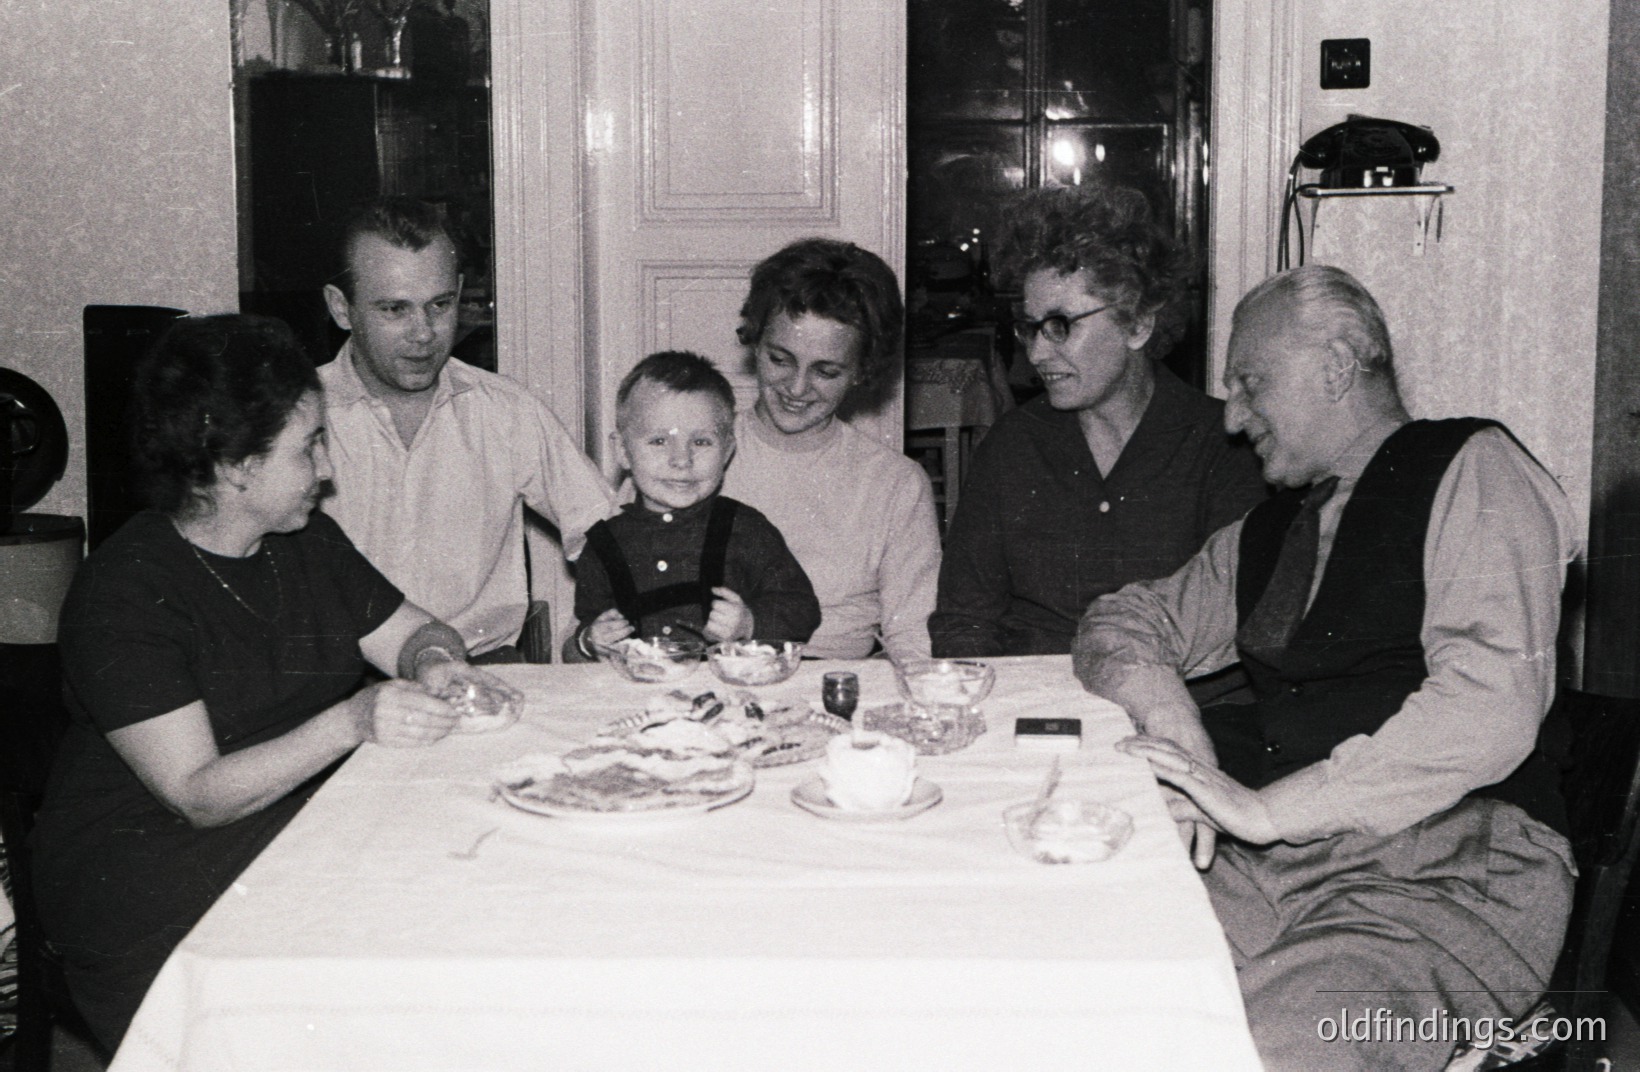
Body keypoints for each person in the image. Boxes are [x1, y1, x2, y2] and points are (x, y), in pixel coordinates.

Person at [1073, 265, 1579, 1071]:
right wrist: (1177, 727)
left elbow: (1491, 705)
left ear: (1338, 366)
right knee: (1071, 984)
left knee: (1267, 1053)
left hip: (1442, 871)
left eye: (1249, 382)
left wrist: (1271, 812)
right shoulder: (1269, 530)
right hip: (1276, 875)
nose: (1234, 418)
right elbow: (1119, 623)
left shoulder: (1472, 467)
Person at [30, 315, 520, 1051]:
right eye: (309, 447)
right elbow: (197, 793)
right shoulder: (127, 592)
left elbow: (419, 632)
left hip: (281, 836)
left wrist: (437, 665)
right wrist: (352, 722)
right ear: (234, 466)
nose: (326, 471)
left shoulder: (303, 540)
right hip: (149, 882)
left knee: (463, 881)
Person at [930, 184, 1267, 657]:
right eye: (1030, 327)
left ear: (1138, 325)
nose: (1038, 352)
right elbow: (962, 621)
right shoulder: (1013, 445)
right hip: (1032, 708)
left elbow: (1230, 628)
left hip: (1175, 707)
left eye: (1061, 325)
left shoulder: (1223, 446)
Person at [318, 197, 617, 660]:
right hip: (337, 681)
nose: (424, 333)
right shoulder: (297, 420)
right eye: (395, 310)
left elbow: (607, 534)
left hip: (481, 668)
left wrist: (597, 631)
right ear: (341, 308)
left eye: (440, 304)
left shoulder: (508, 412)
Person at [719, 237, 940, 661]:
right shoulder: (693, 452)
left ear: (862, 371)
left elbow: (913, 636)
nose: (797, 388)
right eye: (780, 359)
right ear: (755, 342)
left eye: (827, 371)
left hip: (835, 685)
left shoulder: (894, 483)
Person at [569, 351, 820, 657]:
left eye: (701, 442)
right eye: (659, 441)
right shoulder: (603, 545)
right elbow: (577, 642)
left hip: (727, 691)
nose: (681, 460)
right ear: (622, 450)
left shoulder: (746, 529)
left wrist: (749, 624)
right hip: (637, 695)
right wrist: (590, 641)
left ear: (727, 451)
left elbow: (802, 609)